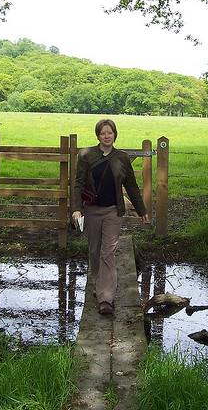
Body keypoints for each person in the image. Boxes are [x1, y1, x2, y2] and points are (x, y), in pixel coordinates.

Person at [72, 119, 148, 316]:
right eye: (103, 133)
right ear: (98, 135)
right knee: (95, 251)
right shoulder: (86, 155)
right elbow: (79, 184)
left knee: (108, 252)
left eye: (110, 132)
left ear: (115, 134)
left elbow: (131, 186)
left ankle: (106, 298)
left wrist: (142, 211)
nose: (107, 136)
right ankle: (100, 285)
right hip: (91, 211)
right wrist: (76, 209)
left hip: (113, 211)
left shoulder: (122, 158)